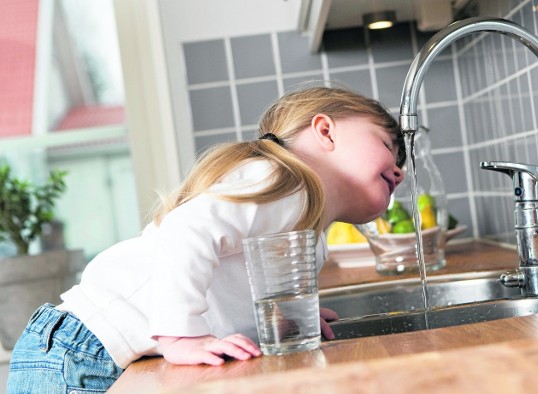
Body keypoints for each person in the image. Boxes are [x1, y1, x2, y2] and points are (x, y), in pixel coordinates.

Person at [6, 85, 406, 393]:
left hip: (98, 350)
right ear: (325, 131)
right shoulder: (283, 182)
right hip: (81, 348)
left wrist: (284, 316)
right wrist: (182, 335)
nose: (400, 171)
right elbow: (188, 232)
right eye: (389, 146)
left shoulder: (309, 231)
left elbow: (232, 282)